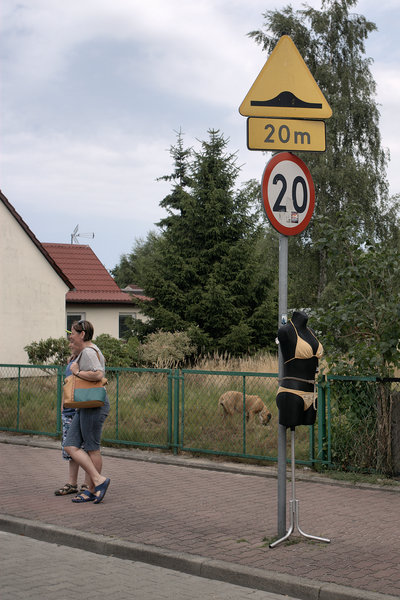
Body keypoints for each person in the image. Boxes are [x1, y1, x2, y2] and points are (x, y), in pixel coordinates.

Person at [64, 320, 111, 504]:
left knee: (92, 448)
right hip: (85, 404)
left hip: (94, 405)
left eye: (73, 333)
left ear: (82, 334)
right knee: (71, 445)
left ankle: (93, 488)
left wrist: (76, 372)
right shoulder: (88, 350)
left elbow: (98, 374)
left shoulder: (90, 352)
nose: (70, 335)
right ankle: (98, 481)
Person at [276, 310, 323, 429]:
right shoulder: (285, 331)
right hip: (292, 392)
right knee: (290, 426)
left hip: (312, 394)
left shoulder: (311, 332)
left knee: (309, 425)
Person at [54, 340, 90, 496]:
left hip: (82, 409)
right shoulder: (71, 361)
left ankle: (88, 484)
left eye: (72, 341)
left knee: (87, 447)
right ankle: (72, 483)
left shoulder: (87, 358)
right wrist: (63, 404)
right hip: (68, 409)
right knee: (71, 448)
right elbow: (66, 384)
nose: (70, 344)